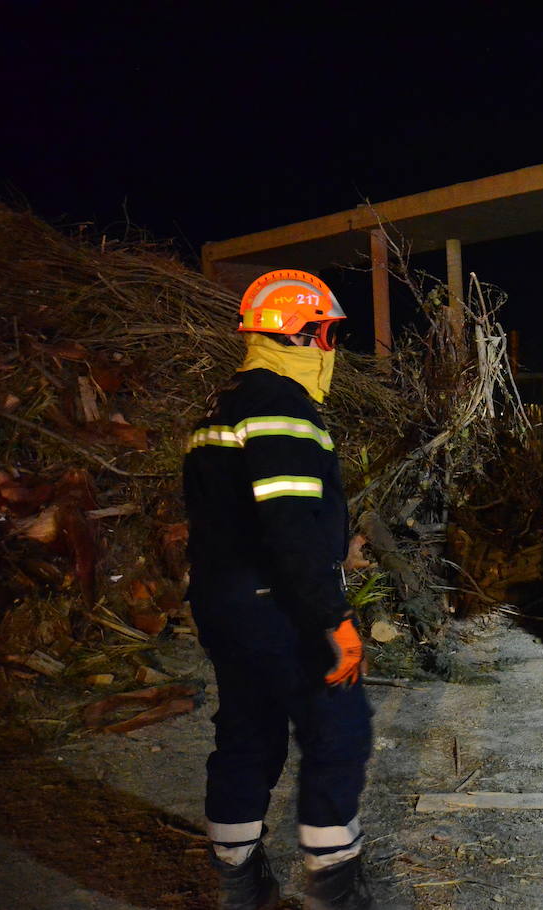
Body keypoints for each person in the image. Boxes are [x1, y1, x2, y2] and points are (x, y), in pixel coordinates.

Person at [184, 269, 373, 909]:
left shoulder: (222, 403)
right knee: (337, 729)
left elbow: (226, 517)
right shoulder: (281, 406)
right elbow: (288, 525)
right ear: (304, 332)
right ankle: (335, 888)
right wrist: (334, 616)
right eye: (330, 334)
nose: (333, 348)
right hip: (282, 606)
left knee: (246, 732)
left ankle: (239, 883)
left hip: (223, 602)